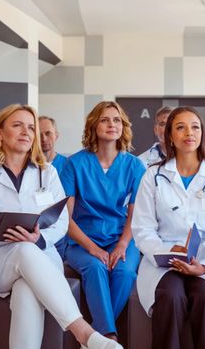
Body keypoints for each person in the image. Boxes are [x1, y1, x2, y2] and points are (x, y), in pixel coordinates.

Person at [0, 104, 122, 349]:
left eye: (31, 127)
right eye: (17, 125)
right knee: (23, 249)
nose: (27, 132)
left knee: (26, 289)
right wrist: (2, 234)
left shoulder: (48, 173)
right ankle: (84, 334)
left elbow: (61, 222)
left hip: (41, 256)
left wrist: (38, 238)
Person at [132, 107, 205, 349]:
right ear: (170, 136)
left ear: (202, 133)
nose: (189, 132)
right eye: (181, 127)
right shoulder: (153, 176)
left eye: (195, 126)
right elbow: (143, 228)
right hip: (163, 260)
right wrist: (168, 252)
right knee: (170, 296)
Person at [60, 101, 147, 342]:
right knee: (96, 267)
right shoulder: (74, 164)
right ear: (93, 125)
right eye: (105, 120)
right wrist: (92, 248)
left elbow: (135, 213)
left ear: (124, 127)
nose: (112, 124)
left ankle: (96, 338)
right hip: (82, 240)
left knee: (125, 273)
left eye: (117, 120)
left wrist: (121, 245)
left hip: (121, 237)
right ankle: (109, 336)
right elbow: (64, 218)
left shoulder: (134, 165)